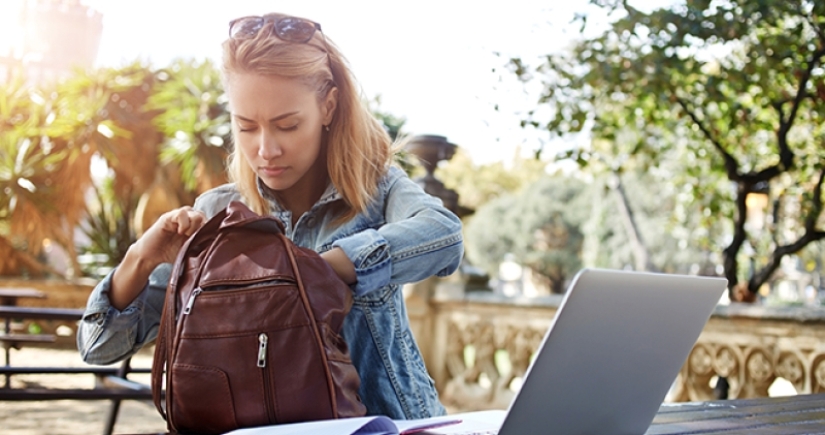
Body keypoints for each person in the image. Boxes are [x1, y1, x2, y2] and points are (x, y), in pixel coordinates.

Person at [77, 12, 464, 420]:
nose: (266, 149)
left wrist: (318, 271)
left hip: (391, 425)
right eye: (246, 127)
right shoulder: (214, 216)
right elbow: (99, 346)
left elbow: (443, 236)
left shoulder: (378, 189)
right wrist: (141, 258)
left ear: (328, 106)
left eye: (287, 125)